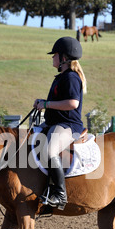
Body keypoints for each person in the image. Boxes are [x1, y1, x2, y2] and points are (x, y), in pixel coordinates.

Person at [33, 36, 87, 210]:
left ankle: (60, 194)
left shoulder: (71, 77)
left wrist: (47, 104)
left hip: (67, 126)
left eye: (54, 54)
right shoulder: (61, 77)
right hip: (55, 123)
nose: (52, 57)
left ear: (63, 58)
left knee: (49, 151)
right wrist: (43, 102)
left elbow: (73, 103)